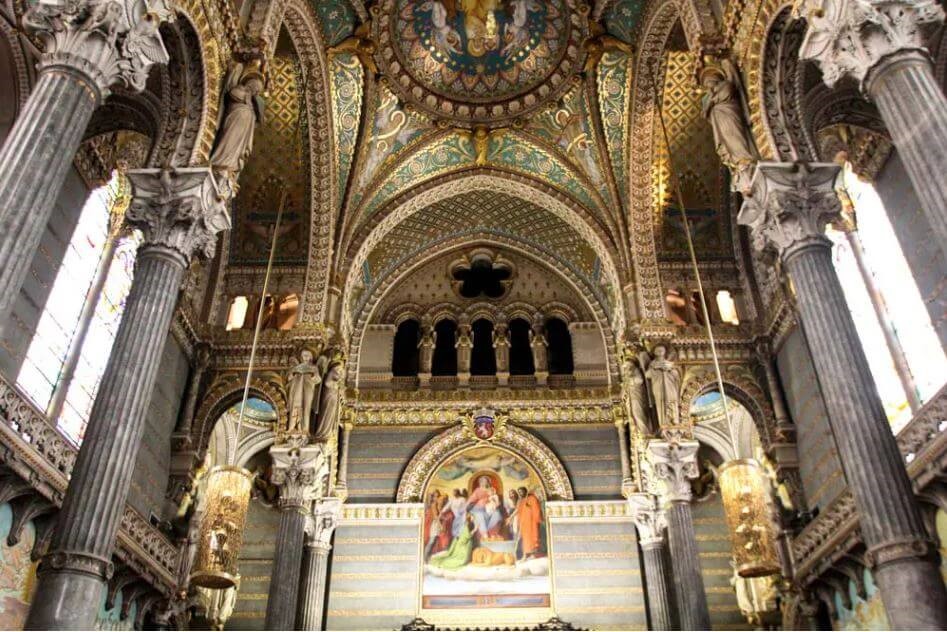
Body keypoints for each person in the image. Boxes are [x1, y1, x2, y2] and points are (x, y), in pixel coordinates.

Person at [516, 486, 543, 560]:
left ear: (525, 491)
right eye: (519, 492)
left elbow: (536, 509)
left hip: (532, 523)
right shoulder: (521, 501)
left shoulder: (532, 498)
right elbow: (519, 512)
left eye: (521, 492)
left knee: (533, 538)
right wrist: (519, 521)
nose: (520, 493)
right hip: (524, 524)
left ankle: (533, 554)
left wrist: (537, 518)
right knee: (525, 540)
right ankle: (525, 555)